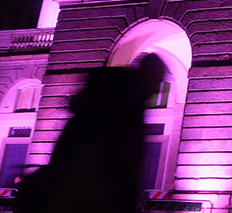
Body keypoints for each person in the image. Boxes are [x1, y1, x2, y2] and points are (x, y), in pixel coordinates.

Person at [17, 54, 167, 213]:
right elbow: (120, 163)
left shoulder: (116, 97)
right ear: (151, 76)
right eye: (158, 80)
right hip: (89, 192)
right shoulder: (127, 103)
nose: (158, 88)